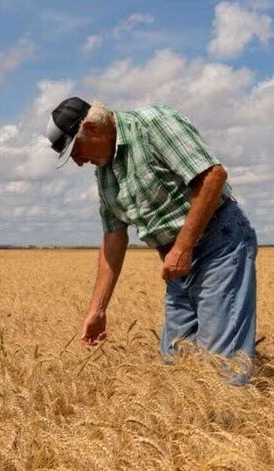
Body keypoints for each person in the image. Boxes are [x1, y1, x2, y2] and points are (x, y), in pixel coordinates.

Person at [46, 97, 258, 384]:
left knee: (220, 368)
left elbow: (212, 177)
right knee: (175, 365)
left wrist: (183, 247)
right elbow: (113, 236)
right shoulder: (105, 171)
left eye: (76, 150)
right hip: (175, 264)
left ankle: (228, 425)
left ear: (92, 128)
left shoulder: (154, 125)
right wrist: (97, 309)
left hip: (218, 246)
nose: (78, 161)